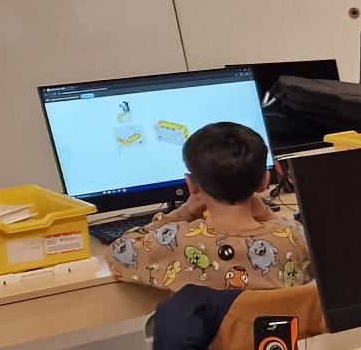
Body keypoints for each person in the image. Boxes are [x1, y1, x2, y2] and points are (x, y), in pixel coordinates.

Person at [105, 122, 311, 292]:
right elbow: (291, 233)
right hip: (285, 331)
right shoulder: (295, 236)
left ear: (191, 185)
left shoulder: (176, 241)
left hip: (212, 334)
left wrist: (183, 213)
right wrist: (266, 214)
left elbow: (117, 253)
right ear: (265, 181)